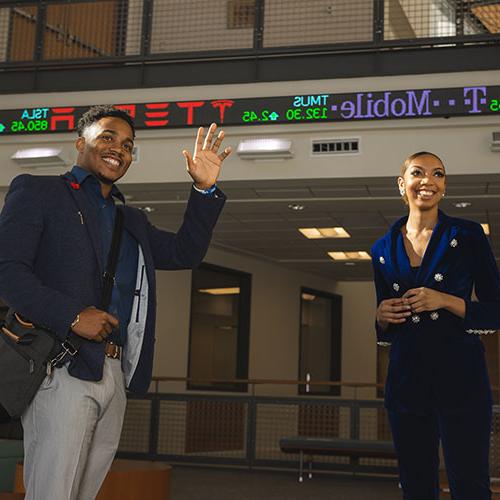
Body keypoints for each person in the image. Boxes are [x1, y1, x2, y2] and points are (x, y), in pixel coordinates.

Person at [0, 104, 231, 500]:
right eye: (108, 137)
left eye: (128, 145)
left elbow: (183, 253)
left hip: (114, 373)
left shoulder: (131, 220)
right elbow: (8, 271)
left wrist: (204, 190)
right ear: (80, 141)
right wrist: (72, 315)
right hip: (62, 367)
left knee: (84, 492)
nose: (119, 149)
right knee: (53, 492)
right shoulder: (39, 192)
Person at [371, 151, 500, 500]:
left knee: (470, 484)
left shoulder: (468, 235)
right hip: (407, 382)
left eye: (438, 174)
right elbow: (386, 327)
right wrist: (381, 318)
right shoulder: (381, 248)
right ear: (402, 185)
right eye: (418, 173)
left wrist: (444, 301)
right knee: (415, 486)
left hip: (461, 380)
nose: (428, 180)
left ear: (444, 186)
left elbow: (495, 310)